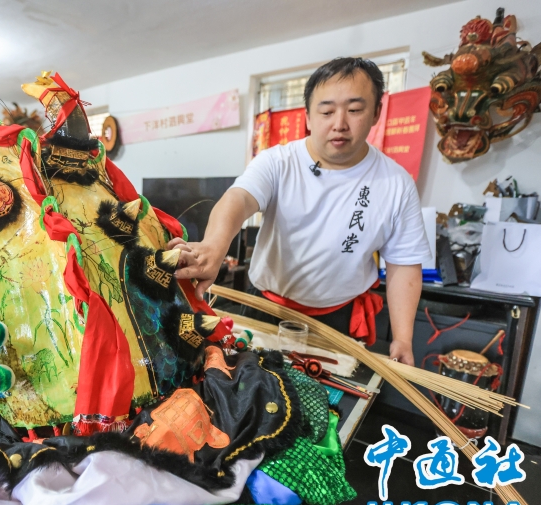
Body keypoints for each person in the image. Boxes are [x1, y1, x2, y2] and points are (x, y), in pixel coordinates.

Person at [169, 57, 432, 365]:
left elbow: (404, 263)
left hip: (337, 320)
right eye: (327, 111)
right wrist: (214, 247)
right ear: (307, 116)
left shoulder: (396, 182)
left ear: (376, 112)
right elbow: (238, 199)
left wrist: (403, 339)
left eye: (354, 110)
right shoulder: (277, 162)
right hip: (265, 308)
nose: (339, 123)